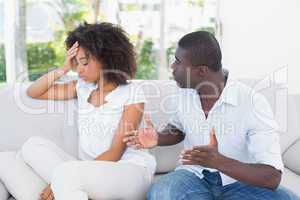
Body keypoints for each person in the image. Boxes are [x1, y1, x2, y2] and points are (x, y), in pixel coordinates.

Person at [124, 31, 300, 200]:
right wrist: (158, 138)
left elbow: (272, 177)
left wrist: (219, 162)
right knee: (162, 193)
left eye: (178, 61)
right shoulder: (183, 93)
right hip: (193, 177)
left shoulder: (253, 102)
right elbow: (178, 128)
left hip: (241, 182)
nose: (172, 67)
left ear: (201, 71)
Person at [22, 22, 156, 200]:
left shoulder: (132, 93)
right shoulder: (81, 87)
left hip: (127, 170)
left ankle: (70, 185)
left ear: (107, 58)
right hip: (85, 170)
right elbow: (34, 92)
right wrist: (63, 69)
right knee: (32, 146)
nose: (79, 69)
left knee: (67, 175)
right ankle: (75, 188)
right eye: (75, 63)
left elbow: (116, 151)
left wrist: (62, 179)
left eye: (84, 62)